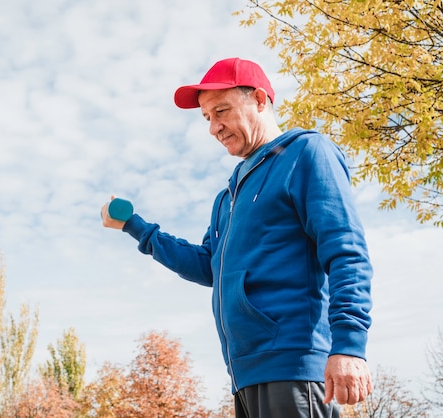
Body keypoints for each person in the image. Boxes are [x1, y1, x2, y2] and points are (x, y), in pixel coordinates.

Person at [100, 57, 373, 418]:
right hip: (244, 374)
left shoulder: (307, 154)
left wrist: (349, 346)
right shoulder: (227, 196)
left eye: (222, 111)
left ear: (259, 100)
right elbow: (208, 266)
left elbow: (346, 252)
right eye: (207, 118)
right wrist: (135, 227)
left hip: (292, 364)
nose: (214, 127)